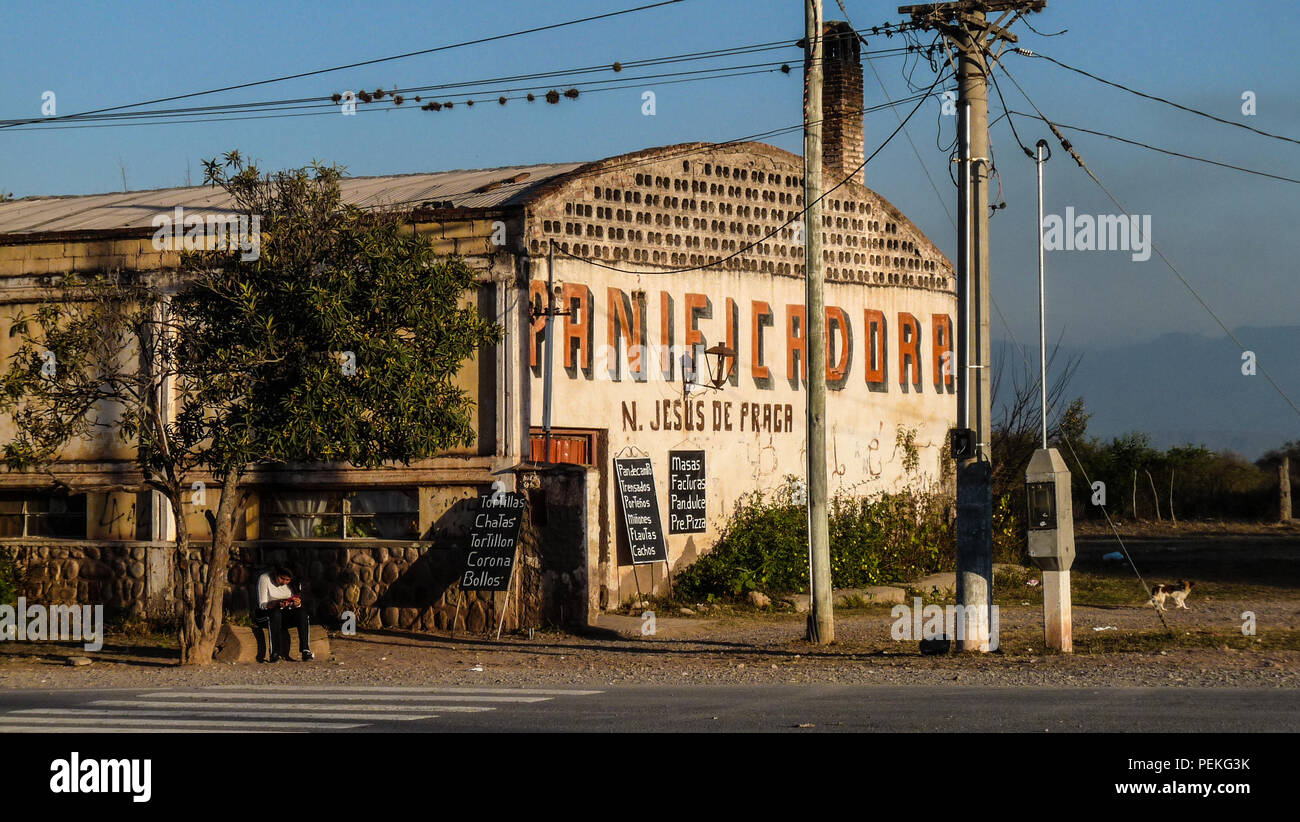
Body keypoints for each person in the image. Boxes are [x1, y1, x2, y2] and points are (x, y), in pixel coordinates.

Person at [255, 565, 314, 662]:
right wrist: (276, 604)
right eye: (282, 579)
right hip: (267, 615)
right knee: (275, 613)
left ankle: (305, 650)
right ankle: (275, 653)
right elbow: (262, 605)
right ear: (276, 574)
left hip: (284, 615)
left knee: (302, 613)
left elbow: (293, 606)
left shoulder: (292, 585)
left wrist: (297, 604)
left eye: (287, 580)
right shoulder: (265, 578)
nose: (284, 582)